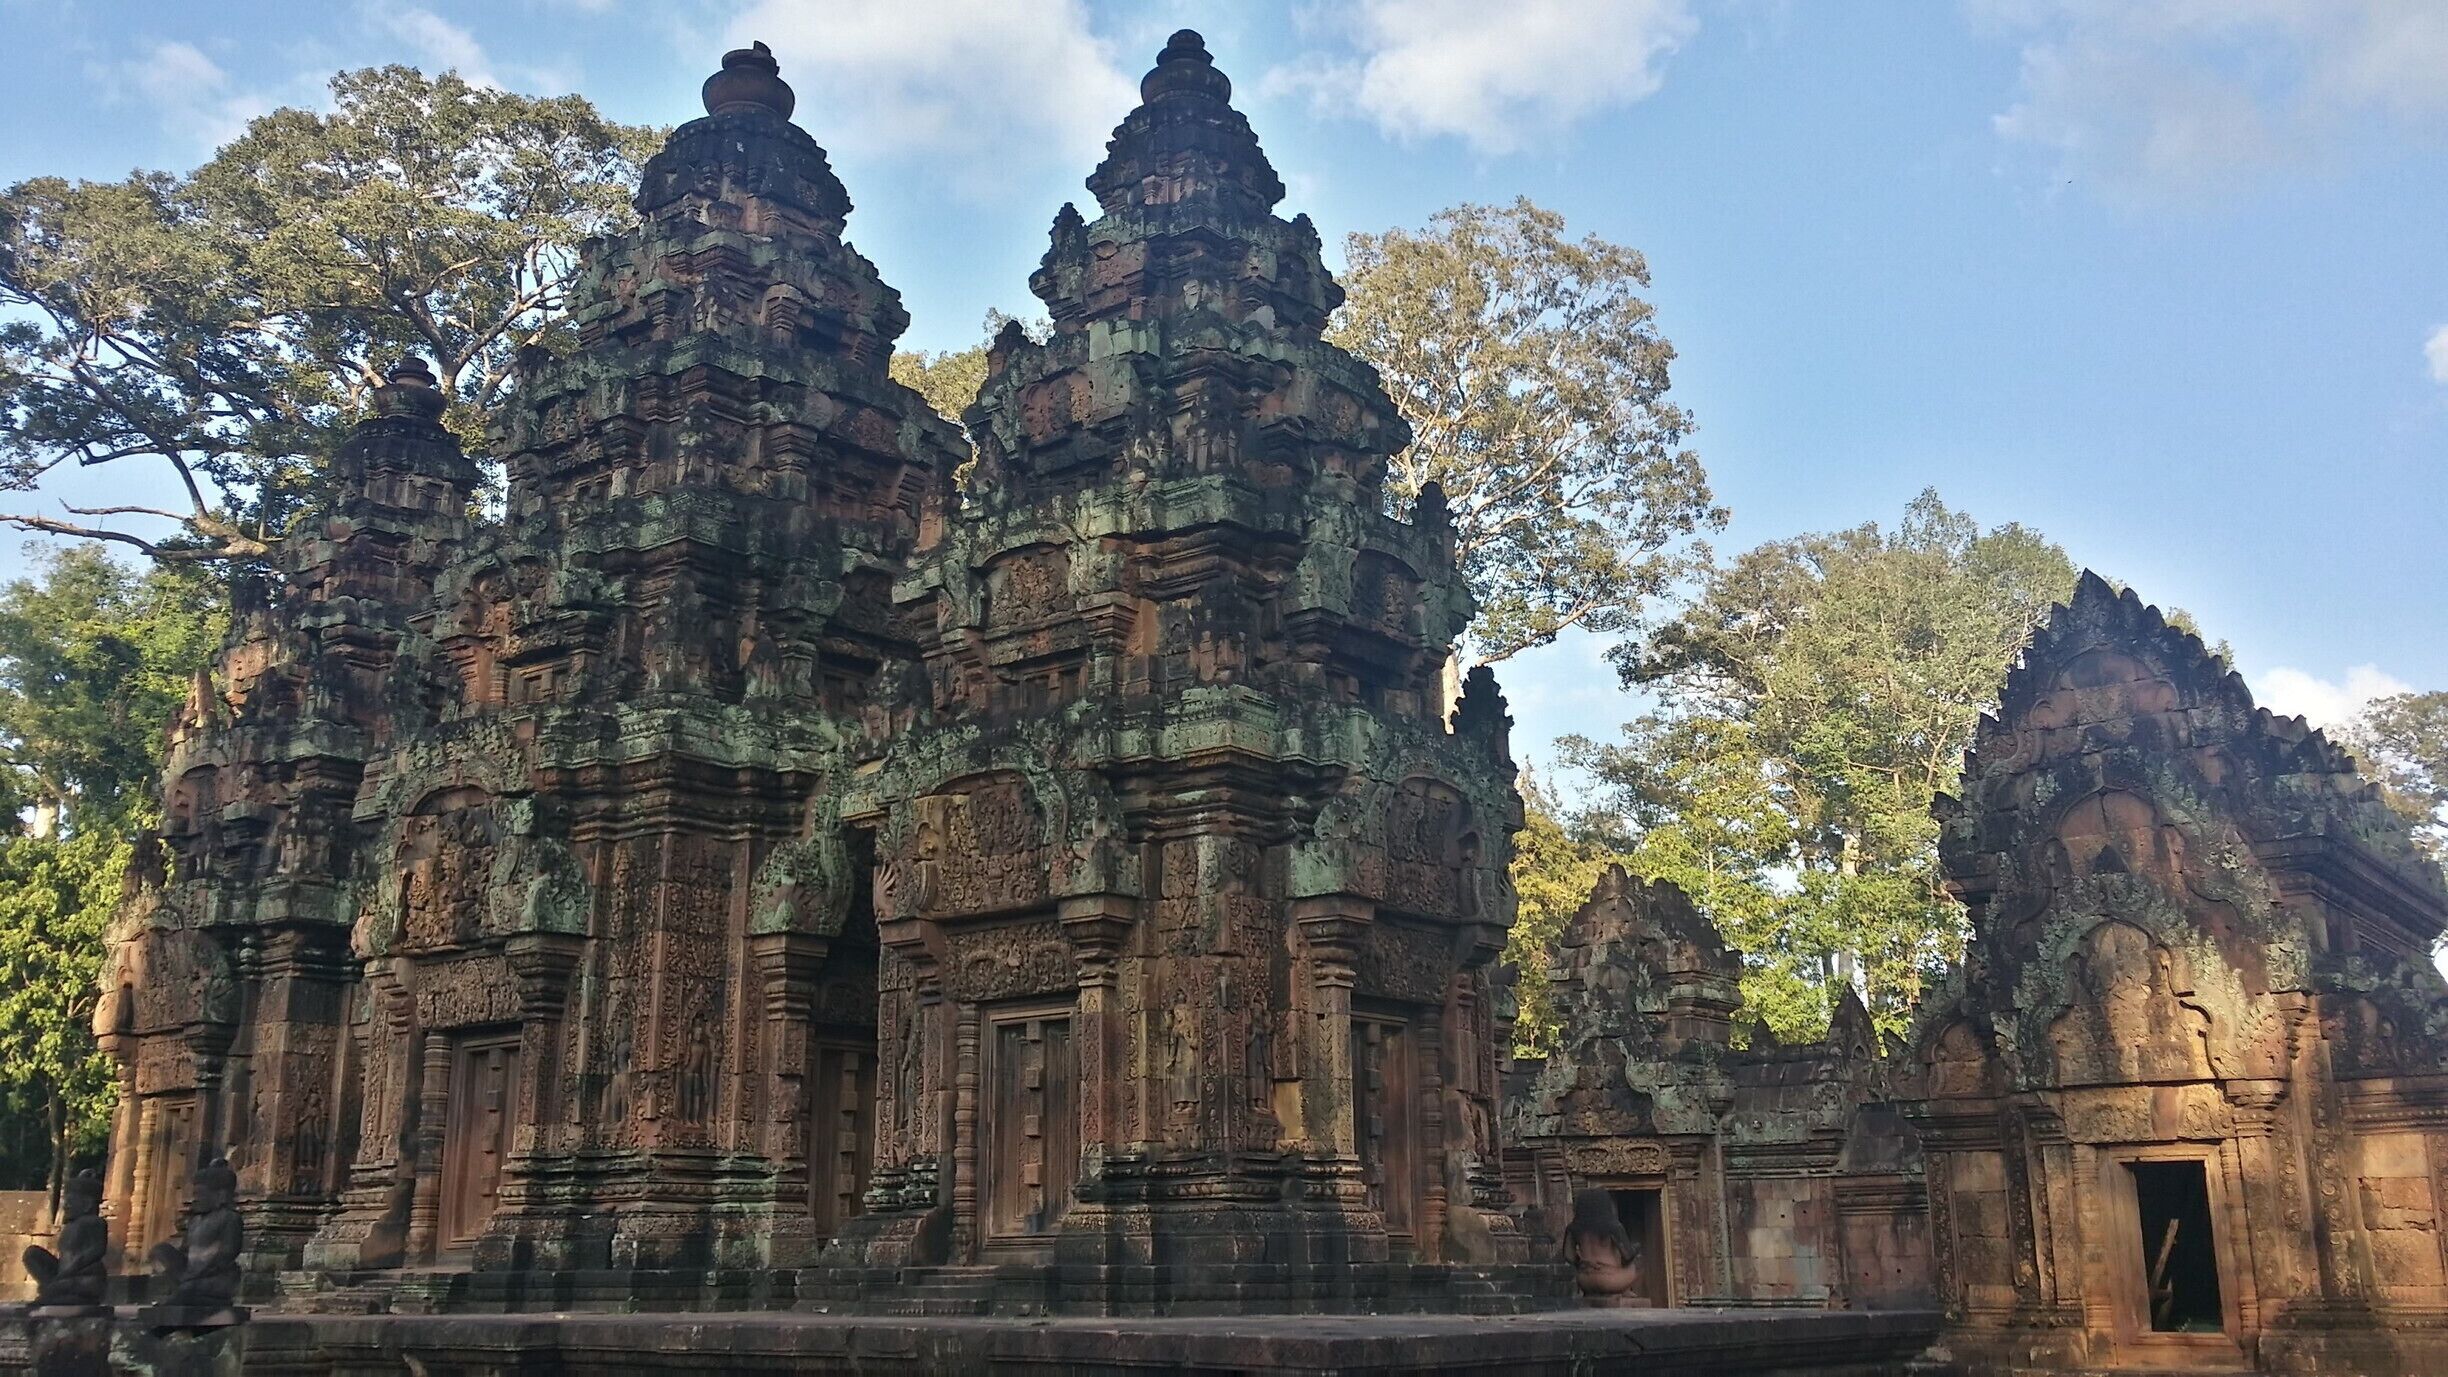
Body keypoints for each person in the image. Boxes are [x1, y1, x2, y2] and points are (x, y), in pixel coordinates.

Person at [1564, 1188, 1647, 1300]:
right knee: (1639, 1261)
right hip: (1611, 1280)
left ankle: (1592, 1294)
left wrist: (1584, 1264)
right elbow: (1628, 1256)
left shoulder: (1573, 1228)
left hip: (1585, 1281)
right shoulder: (1613, 1226)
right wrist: (1636, 1247)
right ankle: (1625, 1290)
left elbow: (1568, 1256)